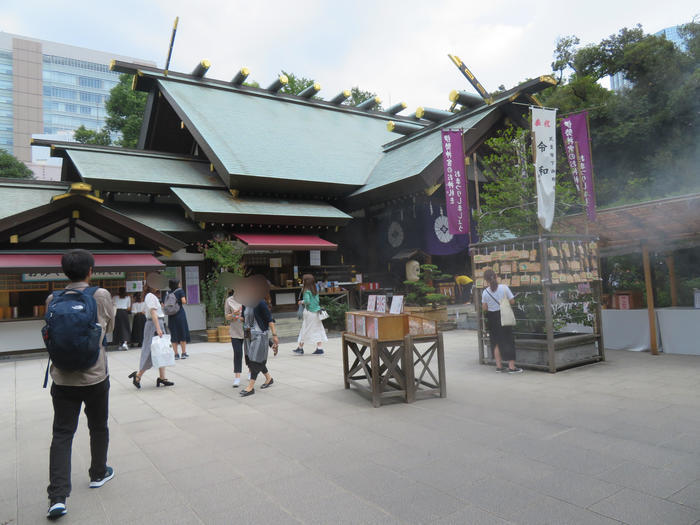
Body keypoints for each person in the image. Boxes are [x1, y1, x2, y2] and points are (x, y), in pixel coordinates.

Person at [44, 249, 115, 520]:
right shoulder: (100, 296)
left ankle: (57, 497)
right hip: (95, 375)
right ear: (90, 271)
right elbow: (109, 330)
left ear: (65, 272)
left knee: (62, 434)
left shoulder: (53, 298)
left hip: (62, 378)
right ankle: (98, 473)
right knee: (98, 426)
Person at [128, 277, 174, 388]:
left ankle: (162, 378)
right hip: (154, 325)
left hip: (157, 324)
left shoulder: (152, 296)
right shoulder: (150, 296)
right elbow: (153, 313)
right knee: (150, 351)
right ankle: (138, 375)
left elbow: (150, 311)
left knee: (161, 351)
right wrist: (158, 328)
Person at [237, 275, 279, 397]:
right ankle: (269, 378)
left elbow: (269, 320)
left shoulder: (260, 303)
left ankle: (250, 387)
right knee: (252, 358)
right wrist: (236, 317)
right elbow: (244, 318)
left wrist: (274, 336)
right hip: (248, 334)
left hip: (260, 335)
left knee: (255, 360)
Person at [482, 269, 522, 373]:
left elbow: (485, 308)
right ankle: (511, 367)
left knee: (495, 342)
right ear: (496, 276)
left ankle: (499, 366)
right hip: (503, 315)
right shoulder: (504, 288)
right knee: (508, 340)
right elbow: (512, 301)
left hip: (492, 317)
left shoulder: (485, 292)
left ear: (486, 280)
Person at [293, 274, 327, 355]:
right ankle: (319, 348)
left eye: (303, 280)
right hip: (317, 312)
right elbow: (317, 301)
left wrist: (301, 302)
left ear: (306, 281)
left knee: (305, 329)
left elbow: (307, 301)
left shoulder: (306, 291)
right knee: (318, 329)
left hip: (309, 313)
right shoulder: (315, 290)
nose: (302, 281)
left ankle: (300, 348)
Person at [224, 289, 245, 388]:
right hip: (235, 331)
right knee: (237, 353)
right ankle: (237, 377)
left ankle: (250, 371)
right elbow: (227, 316)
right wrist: (234, 315)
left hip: (247, 330)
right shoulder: (229, 300)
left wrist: (242, 318)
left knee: (248, 353)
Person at [166, 279, 191, 360]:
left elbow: (164, 304)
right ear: (177, 284)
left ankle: (176, 354)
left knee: (174, 334)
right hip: (180, 314)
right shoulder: (180, 291)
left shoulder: (168, 292)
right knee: (182, 332)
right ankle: (183, 353)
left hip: (171, 316)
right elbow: (183, 301)